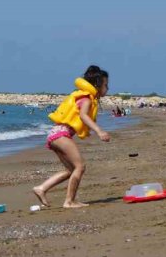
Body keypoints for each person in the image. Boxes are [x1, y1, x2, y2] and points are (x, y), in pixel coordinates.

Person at [32, 65, 111, 209]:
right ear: (97, 85)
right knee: (80, 166)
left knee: (71, 170)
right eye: (106, 85)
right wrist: (99, 131)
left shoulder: (84, 96)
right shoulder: (86, 99)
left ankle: (42, 188)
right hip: (61, 134)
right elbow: (83, 116)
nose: (108, 88)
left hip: (55, 134)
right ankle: (69, 201)